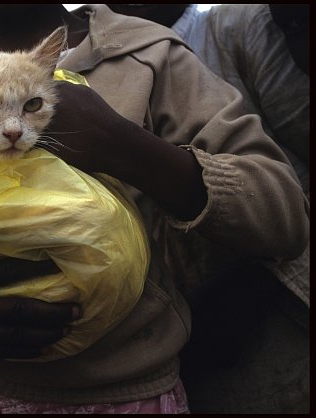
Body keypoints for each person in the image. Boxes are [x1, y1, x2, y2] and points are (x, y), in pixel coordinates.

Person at [0, 4, 309, 414]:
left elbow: (283, 217)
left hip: (132, 385)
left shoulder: (151, 55)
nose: (13, 128)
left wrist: (127, 147)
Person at [108, 4, 310, 413]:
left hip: (279, 313)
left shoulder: (236, 28)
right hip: (184, 345)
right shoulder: (106, 62)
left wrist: (255, 282)